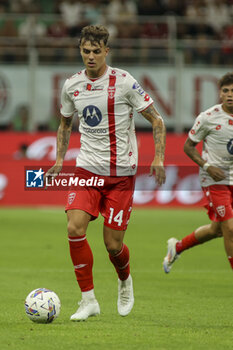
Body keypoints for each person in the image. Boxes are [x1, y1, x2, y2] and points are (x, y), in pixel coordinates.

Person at [45, 25, 166, 321]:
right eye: (85, 51)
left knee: (113, 246)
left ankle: (124, 279)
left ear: (106, 52)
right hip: (86, 169)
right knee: (74, 227)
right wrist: (60, 159)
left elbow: (157, 120)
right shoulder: (72, 85)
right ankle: (88, 300)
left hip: (121, 175)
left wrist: (159, 158)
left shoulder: (124, 82)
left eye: (96, 52)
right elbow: (64, 124)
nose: (90, 57)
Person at [163, 72, 233, 274]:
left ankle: (177, 248)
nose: (230, 95)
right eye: (226, 91)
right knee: (229, 228)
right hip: (214, 179)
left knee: (217, 229)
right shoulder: (208, 117)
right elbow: (188, 147)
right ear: (220, 93)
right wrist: (207, 166)